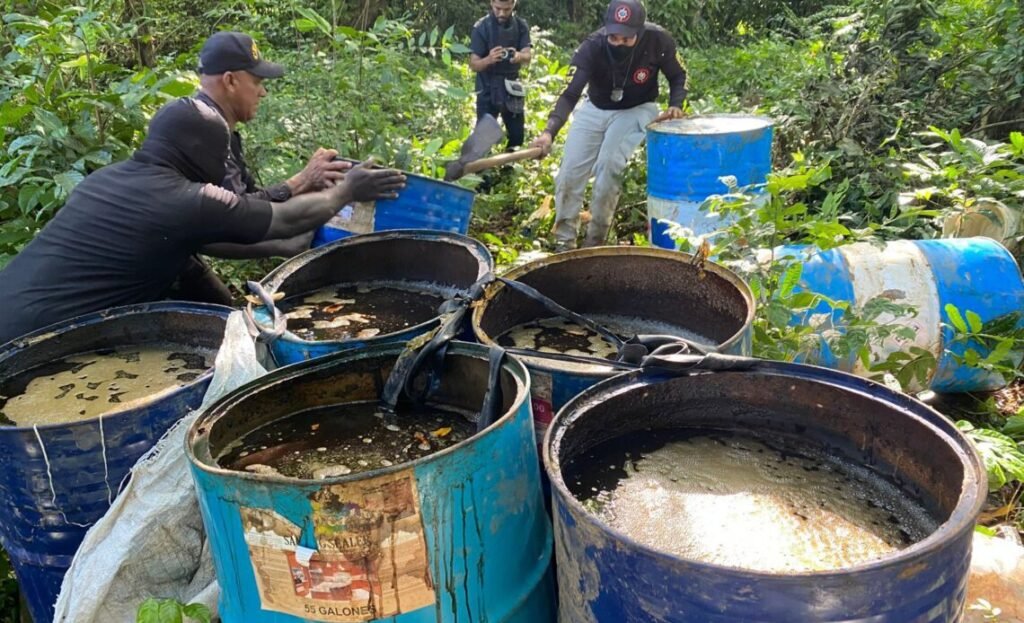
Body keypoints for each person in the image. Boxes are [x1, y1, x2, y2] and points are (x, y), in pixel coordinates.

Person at [0, 97, 405, 345]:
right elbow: (282, 223)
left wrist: (235, 317)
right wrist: (345, 191)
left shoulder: (106, 179)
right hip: (39, 342)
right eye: (220, 156)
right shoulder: (184, 199)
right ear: (200, 152)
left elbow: (222, 243)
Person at [182, 31, 352, 303]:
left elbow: (247, 199)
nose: (263, 92)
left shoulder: (214, 124)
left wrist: (304, 190)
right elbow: (234, 216)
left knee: (224, 308)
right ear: (230, 81)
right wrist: (301, 182)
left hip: (182, 248)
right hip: (157, 257)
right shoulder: (202, 129)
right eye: (257, 82)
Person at [529, 0, 687, 250]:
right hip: (595, 107)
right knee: (568, 173)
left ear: (639, 31)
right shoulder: (592, 46)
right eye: (614, 37)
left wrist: (675, 104)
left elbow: (679, 75)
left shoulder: (658, 40)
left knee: (608, 166)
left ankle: (595, 244)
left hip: (637, 108)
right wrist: (549, 132)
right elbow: (569, 94)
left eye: (626, 38)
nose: (619, 43)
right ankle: (564, 244)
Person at [469, 0, 532, 149]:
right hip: (487, 87)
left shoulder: (521, 26)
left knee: (517, 136)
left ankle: (510, 162)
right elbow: (473, 64)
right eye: (498, 8)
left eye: (507, 9)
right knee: (482, 140)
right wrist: (489, 59)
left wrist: (518, 56)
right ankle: (479, 164)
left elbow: (527, 56)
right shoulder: (481, 27)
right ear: (491, 3)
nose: (502, 13)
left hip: (511, 87)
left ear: (514, 4)